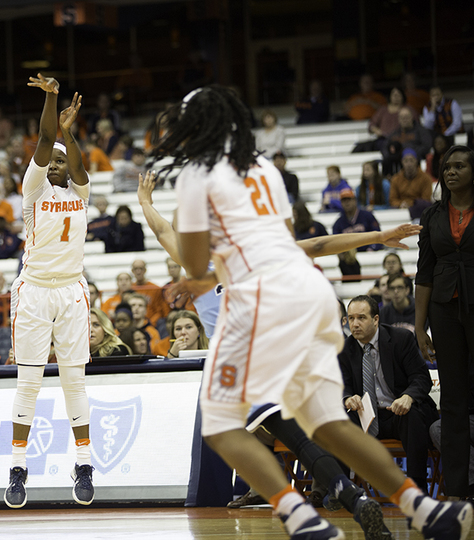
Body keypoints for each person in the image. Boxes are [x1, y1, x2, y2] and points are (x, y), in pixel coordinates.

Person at [149, 85, 470, 539]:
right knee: (329, 425)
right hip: (310, 295)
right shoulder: (262, 168)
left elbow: (199, 266)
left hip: (258, 306)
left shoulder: (196, 176)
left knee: (220, 426)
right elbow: (297, 245)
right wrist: (375, 237)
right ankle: (424, 509)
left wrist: (191, 280)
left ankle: (302, 521)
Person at [5, 77, 96, 509]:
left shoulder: (80, 190)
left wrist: (70, 133)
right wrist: (51, 99)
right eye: (52, 161)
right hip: (36, 291)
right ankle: (18, 469)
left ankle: (84, 464)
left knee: (74, 380)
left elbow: (76, 163)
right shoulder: (33, 191)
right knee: (30, 383)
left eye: (62, 160)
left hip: (72, 291)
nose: (57, 163)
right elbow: (44, 139)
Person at [415, 145, 474, 501]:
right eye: (446, 167)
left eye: (460, 166)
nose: (451, 172)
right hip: (443, 310)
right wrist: (420, 327)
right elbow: (423, 275)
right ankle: (455, 489)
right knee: (452, 399)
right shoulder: (433, 216)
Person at [340, 296, 438, 493]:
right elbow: (342, 386)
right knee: (337, 419)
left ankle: (417, 488)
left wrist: (408, 396)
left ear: (376, 319)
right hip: (366, 416)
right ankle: (342, 490)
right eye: (351, 318)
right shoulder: (345, 348)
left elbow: (421, 378)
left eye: (361, 318)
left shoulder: (401, 338)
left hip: (398, 413)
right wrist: (348, 398)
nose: (355, 324)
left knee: (412, 415)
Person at [389, 148, 434, 218]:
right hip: (400, 210)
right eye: (406, 161)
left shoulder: (426, 178)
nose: (409, 164)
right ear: (402, 162)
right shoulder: (396, 179)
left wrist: (410, 204)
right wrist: (401, 204)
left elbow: (426, 199)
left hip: (419, 211)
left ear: (416, 161)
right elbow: (392, 199)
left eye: (411, 160)